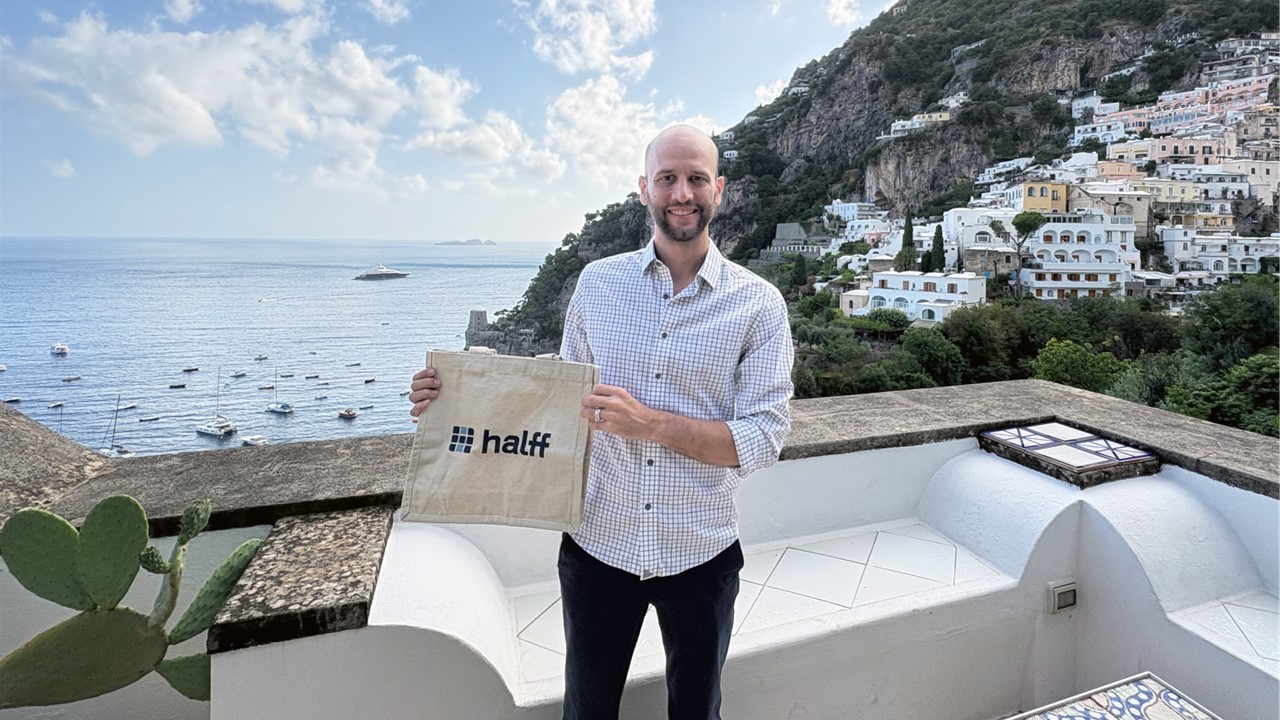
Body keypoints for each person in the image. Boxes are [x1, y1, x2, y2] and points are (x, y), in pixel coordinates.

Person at [409, 124, 793, 720]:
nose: (682, 193)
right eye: (667, 178)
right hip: (597, 546)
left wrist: (651, 424)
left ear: (719, 189)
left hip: (701, 550)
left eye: (696, 179)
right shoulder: (597, 283)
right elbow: (562, 397)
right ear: (644, 189)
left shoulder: (760, 303)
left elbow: (764, 437)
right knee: (586, 712)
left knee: (698, 713)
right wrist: (455, 396)